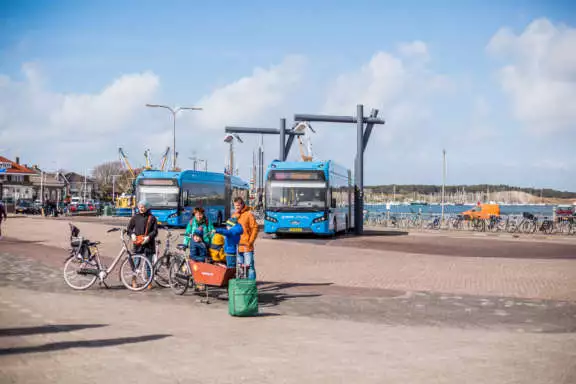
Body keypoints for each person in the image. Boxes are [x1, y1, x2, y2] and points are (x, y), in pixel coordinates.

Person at [127, 200, 158, 288]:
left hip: (149, 243)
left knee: (149, 264)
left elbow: (155, 231)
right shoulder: (135, 217)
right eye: (140, 206)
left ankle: (149, 282)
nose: (141, 208)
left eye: (143, 206)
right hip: (138, 243)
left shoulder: (152, 218)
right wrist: (132, 234)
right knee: (136, 263)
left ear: (147, 207)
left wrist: (149, 237)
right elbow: (129, 228)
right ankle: (134, 280)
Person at [233, 197, 259, 280]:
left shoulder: (248, 214)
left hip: (247, 246)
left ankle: (251, 285)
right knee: (240, 268)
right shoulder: (234, 215)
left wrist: (250, 241)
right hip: (237, 246)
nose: (236, 207)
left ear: (242, 205)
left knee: (250, 267)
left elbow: (255, 228)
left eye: (238, 205)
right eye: (235, 206)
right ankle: (242, 286)